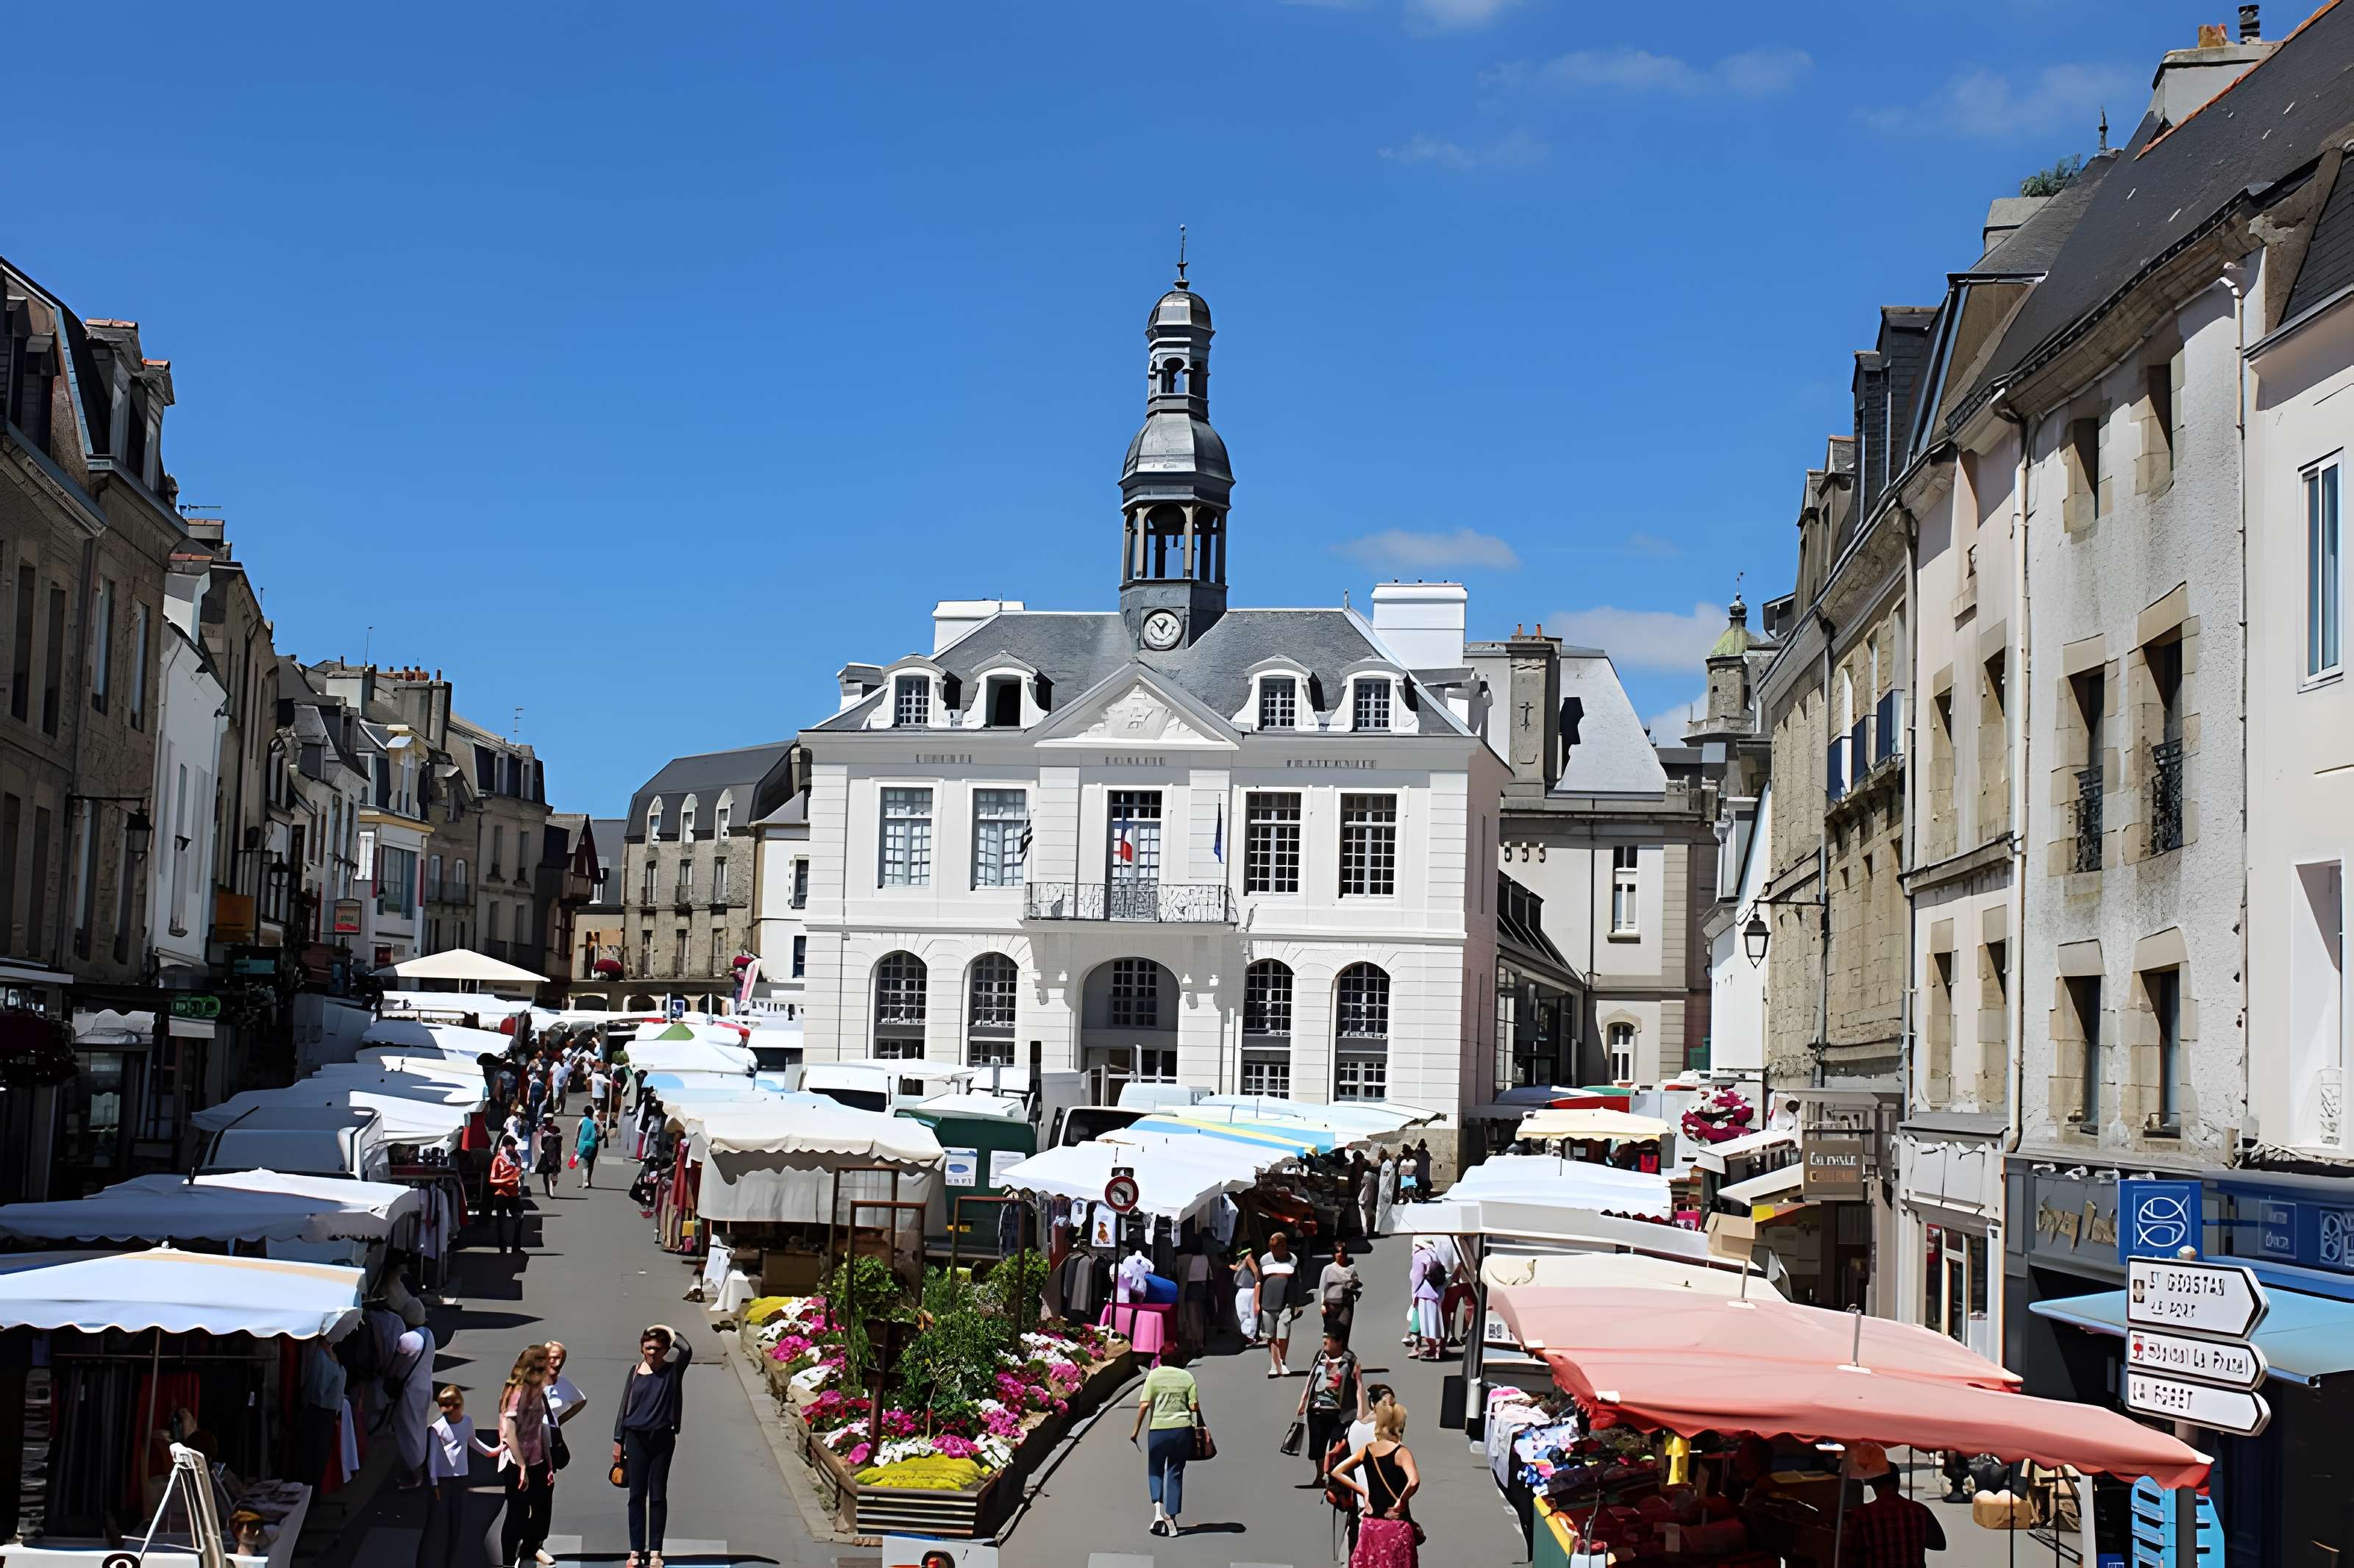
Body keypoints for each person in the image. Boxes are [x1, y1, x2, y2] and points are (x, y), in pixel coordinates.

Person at [612, 1323, 691, 1568]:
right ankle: (635, 1551)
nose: (652, 1353)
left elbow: (687, 1350)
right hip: (635, 1438)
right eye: (648, 1348)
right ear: (641, 1349)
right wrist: (618, 1441)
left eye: (657, 1348)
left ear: (666, 1349)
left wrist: (666, 1330)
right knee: (636, 1496)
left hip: (662, 1438)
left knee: (657, 1496)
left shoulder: (672, 1371)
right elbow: (624, 1407)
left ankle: (655, 1551)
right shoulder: (635, 1372)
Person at [1331, 1400, 1421, 1568]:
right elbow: (1414, 1481)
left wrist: (1363, 1492)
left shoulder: (1368, 1449)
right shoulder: (1401, 1452)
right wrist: (1401, 1501)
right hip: (1396, 1526)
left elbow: (1337, 1471)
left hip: (1371, 1525)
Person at [424, 1386, 501, 1568]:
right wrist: (434, 1483)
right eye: (446, 1406)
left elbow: (473, 1442)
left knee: (457, 1520)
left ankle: (450, 1559)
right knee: (441, 1522)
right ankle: (439, 1558)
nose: (451, 1411)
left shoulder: (467, 1422)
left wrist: (493, 1452)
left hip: (461, 1478)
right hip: (443, 1481)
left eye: (454, 1406)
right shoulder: (437, 1428)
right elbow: (432, 1457)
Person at [1126, 1358, 1201, 1538]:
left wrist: (1135, 1432)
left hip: (1158, 1430)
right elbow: (1194, 1406)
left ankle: (1158, 1511)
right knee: (1175, 1472)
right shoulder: (1187, 1377)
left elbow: (1144, 1404)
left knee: (1155, 1470)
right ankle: (1171, 1518)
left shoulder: (1154, 1376)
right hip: (1182, 1430)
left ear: (1161, 1361)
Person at [497, 1345, 555, 1568]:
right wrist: (522, 1466)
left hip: (539, 1458)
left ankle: (529, 1551)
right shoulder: (517, 1392)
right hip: (516, 1462)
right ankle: (508, 1563)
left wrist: (549, 1463)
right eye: (541, 1367)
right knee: (517, 1515)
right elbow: (509, 1432)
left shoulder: (538, 1390)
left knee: (541, 1514)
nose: (546, 1371)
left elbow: (542, 1428)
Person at [536, 1341, 588, 1567]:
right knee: (523, 1499)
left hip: (548, 1447)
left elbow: (581, 1400)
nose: (556, 1362)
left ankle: (537, 1543)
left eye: (560, 1359)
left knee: (544, 1498)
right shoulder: (530, 1382)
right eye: (552, 1357)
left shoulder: (562, 1385)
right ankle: (521, 1543)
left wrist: (558, 1423)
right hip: (528, 1446)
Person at [1843, 1465, 1947, 1568]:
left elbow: (1849, 1553)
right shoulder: (1919, 1510)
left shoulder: (1861, 1515)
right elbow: (1939, 1544)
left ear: (1874, 1484)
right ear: (1898, 1481)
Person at [1295, 1328, 1362, 1486]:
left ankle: (1334, 1476)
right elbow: (1311, 1378)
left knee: (1337, 1445)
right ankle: (1320, 1476)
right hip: (1316, 1408)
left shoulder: (1350, 1359)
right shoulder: (1319, 1356)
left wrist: (1359, 1410)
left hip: (1339, 1412)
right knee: (1317, 1445)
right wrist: (1303, 1402)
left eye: (1328, 1340)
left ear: (1339, 1342)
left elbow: (1358, 1385)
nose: (1324, 1342)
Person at [388, 1320, 438, 1489]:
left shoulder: (407, 1340)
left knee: (411, 1433)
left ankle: (416, 1474)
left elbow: (396, 1367)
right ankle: (421, 1466)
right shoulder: (427, 1334)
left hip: (411, 1391)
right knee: (419, 1428)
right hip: (425, 1387)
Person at [1257, 1232, 1300, 1376]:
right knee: (1271, 1336)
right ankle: (1274, 1364)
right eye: (1274, 1246)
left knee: (1283, 1332)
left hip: (1286, 1302)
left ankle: (1283, 1361)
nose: (1276, 1249)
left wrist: (1296, 1303)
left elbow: (1295, 1283)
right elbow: (1259, 1282)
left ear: (1285, 1246)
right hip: (1268, 1303)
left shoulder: (1293, 1260)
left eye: (1280, 1246)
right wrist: (1257, 1303)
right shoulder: (1265, 1260)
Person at [1408, 1243, 1446, 1361]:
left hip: (1424, 1294)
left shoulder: (1419, 1256)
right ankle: (1431, 1348)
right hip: (1437, 1292)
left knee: (1423, 1324)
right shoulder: (1434, 1253)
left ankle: (1429, 1348)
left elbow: (1416, 1278)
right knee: (1431, 1323)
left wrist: (1414, 1295)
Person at [488, 1137, 526, 1255]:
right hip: (502, 1195)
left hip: (514, 1195)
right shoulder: (498, 1160)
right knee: (501, 1223)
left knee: (519, 1217)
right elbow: (492, 1180)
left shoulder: (515, 1158)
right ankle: (503, 1248)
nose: (514, 1149)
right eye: (513, 1146)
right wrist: (508, 1180)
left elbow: (519, 1173)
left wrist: (518, 1161)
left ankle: (516, 1246)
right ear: (506, 1146)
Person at [1319, 1243, 1362, 1343]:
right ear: (1334, 1254)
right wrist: (1323, 1305)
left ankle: (1342, 1352)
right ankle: (1329, 1353)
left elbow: (1357, 1285)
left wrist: (1356, 1295)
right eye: (1338, 1252)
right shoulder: (1328, 1269)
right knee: (1330, 1330)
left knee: (1344, 1329)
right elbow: (1322, 1288)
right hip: (1331, 1305)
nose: (1341, 1254)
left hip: (1346, 1305)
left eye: (1343, 1252)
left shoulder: (1351, 1269)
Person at [1229, 1247, 1262, 1347]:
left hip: (1249, 1290)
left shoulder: (1246, 1260)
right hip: (1243, 1290)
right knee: (1244, 1314)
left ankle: (1250, 1336)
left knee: (1248, 1314)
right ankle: (1248, 1335)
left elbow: (1252, 1266)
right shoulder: (1241, 1262)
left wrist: (1257, 1279)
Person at [576, 1110, 603, 1189]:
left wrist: (576, 1146)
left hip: (583, 1145)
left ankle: (585, 1182)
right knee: (591, 1164)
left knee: (585, 1164)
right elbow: (600, 1135)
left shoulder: (582, 1121)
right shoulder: (596, 1123)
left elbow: (578, 1134)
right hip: (593, 1145)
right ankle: (588, 1181)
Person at [536, 1116, 561, 1197]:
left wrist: (559, 1157)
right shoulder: (542, 1129)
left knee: (554, 1172)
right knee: (545, 1173)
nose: (550, 1121)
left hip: (554, 1154)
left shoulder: (556, 1129)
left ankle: (552, 1188)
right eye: (548, 1120)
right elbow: (539, 1135)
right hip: (545, 1154)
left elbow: (559, 1144)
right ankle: (548, 1190)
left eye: (551, 1119)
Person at [1356, 1157, 1379, 1240]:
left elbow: (1364, 1189)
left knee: (1364, 1217)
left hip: (1365, 1199)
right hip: (1371, 1199)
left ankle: (1366, 1234)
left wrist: (1363, 1201)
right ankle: (1369, 1232)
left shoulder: (1366, 1176)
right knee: (1369, 1216)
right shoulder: (1374, 1177)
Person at [1375, 1154, 1398, 1237]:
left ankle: (1379, 1230)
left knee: (1381, 1210)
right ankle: (1381, 1229)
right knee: (1383, 1210)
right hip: (1386, 1191)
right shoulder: (1387, 1165)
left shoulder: (1386, 1165)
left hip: (1384, 1191)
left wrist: (1383, 1192)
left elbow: (1385, 1179)